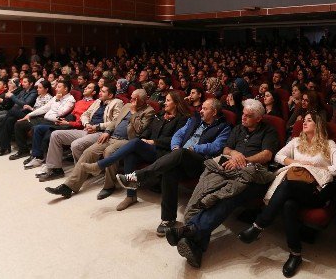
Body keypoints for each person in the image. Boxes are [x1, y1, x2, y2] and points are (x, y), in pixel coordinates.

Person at [156, 98, 279, 268]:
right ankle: (194, 241)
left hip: (251, 174)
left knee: (227, 198)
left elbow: (267, 155)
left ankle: (190, 230)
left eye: (248, 116)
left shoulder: (268, 131)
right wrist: (234, 154)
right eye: (243, 114)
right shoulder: (238, 128)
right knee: (204, 190)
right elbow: (226, 149)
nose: (243, 118)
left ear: (258, 118)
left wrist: (242, 160)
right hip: (228, 167)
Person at [238, 112, 336, 277]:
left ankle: (258, 225)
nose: (304, 122)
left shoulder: (328, 144)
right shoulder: (296, 141)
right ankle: (295, 254)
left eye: (309, 120)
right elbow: (278, 156)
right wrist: (297, 162)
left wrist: (315, 168)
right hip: (294, 187)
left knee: (287, 186)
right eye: (304, 119)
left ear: (318, 125)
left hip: (315, 190)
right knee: (289, 205)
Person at [116, 98, 231, 235]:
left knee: (182, 152)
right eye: (202, 108)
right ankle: (168, 220)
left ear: (214, 112)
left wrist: (193, 149)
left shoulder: (224, 127)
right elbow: (179, 134)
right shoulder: (194, 120)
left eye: (205, 109)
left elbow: (216, 147)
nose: (201, 111)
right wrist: (175, 146)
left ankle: (138, 177)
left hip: (200, 162)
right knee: (170, 171)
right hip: (181, 156)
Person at [76, 91, 191, 211]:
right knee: (130, 154)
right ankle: (131, 196)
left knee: (135, 142)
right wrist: (144, 139)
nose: (165, 103)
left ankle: (100, 165)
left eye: (168, 100)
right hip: (148, 148)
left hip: (163, 152)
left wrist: (154, 142)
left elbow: (176, 140)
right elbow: (148, 130)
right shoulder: (161, 114)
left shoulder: (182, 119)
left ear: (176, 103)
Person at [44, 88, 154, 200]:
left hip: (127, 140)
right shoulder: (127, 106)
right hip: (112, 136)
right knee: (89, 152)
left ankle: (109, 186)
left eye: (135, 99)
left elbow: (139, 130)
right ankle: (68, 187)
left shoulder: (148, 111)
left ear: (142, 101)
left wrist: (134, 112)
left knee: (109, 152)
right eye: (131, 97)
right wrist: (107, 131)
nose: (132, 100)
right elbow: (115, 122)